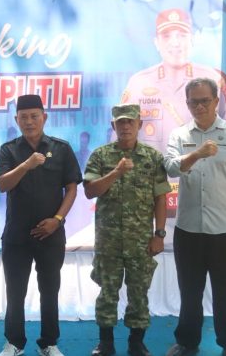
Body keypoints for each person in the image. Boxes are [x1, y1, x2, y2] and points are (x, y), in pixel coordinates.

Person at [163, 78, 226, 356]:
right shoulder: (179, 135)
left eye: (205, 100)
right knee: (189, 292)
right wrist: (196, 154)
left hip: (225, 230)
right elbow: (170, 168)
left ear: (217, 101)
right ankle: (187, 342)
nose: (200, 106)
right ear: (187, 104)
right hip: (188, 230)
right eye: (194, 101)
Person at [0, 94, 81, 356]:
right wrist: (26, 165)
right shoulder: (8, 150)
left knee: (50, 290)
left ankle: (49, 343)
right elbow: (2, 184)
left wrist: (57, 220)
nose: (29, 122)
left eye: (34, 116)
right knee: (15, 291)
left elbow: (72, 188)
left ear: (45, 117)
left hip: (51, 234)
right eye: (24, 117)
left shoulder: (61, 148)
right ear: (16, 119)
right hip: (17, 236)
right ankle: (14, 342)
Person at [83, 104, 171, 356]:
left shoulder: (152, 158)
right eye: (120, 122)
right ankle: (106, 343)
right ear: (113, 126)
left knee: (139, 293)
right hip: (108, 241)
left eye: (130, 122)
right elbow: (90, 191)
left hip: (140, 241)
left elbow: (161, 198)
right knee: (107, 292)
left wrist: (159, 234)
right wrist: (117, 172)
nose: (125, 126)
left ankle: (136, 342)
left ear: (139, 124)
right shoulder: (100, 155)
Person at [120, 8, 226, 153]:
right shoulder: (138, 83)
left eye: (182, 35)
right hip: (151, 166)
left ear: (192, 39)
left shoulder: (212, 79)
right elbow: (121, 132)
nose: (175, 43)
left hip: (198, 164)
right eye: (166, 36)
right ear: (156, 42)